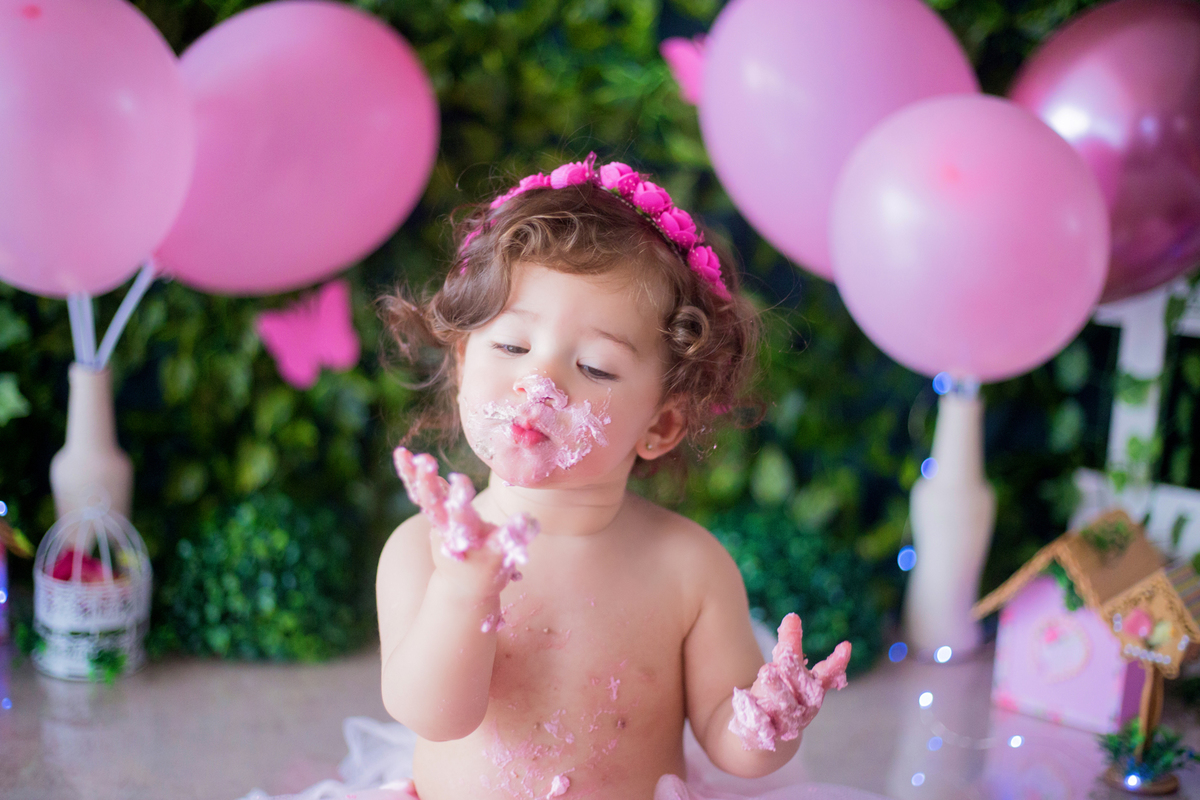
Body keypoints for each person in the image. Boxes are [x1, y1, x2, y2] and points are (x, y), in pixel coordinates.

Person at [244, 156, 863, 800]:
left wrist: (767, 723)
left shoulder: (689, 566)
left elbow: (729, 745)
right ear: (462, 364)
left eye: (595, 367)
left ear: (661, 424)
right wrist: (463, 591)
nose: (539, 382)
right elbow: (433, 716)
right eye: (511, 347)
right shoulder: (421, 552)